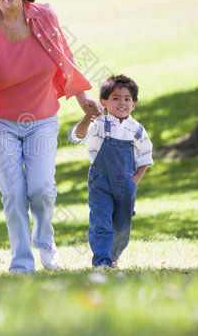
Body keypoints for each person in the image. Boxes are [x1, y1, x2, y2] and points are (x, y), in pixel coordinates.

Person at [0, 0, 101, 273]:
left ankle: (45, 240)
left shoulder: (44, 16)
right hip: (0, 121)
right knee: (13, 193)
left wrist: (82, 98)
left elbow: (63, 56)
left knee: (41, 189)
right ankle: (22, 261)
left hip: (41, 117)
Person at [68, 74, 153, 268]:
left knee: (122, 226)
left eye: (127, 99)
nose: (121, 103)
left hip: (126, 184)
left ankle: (113, 255)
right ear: (104, 102)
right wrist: (88, 116)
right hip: (101, 183)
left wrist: (135, 181)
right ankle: (102, 261)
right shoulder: (98, 124)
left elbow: (145, 157)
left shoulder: (137, 130)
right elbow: (76, 136)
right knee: (102, 222)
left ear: (134, 104)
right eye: (115, 98)